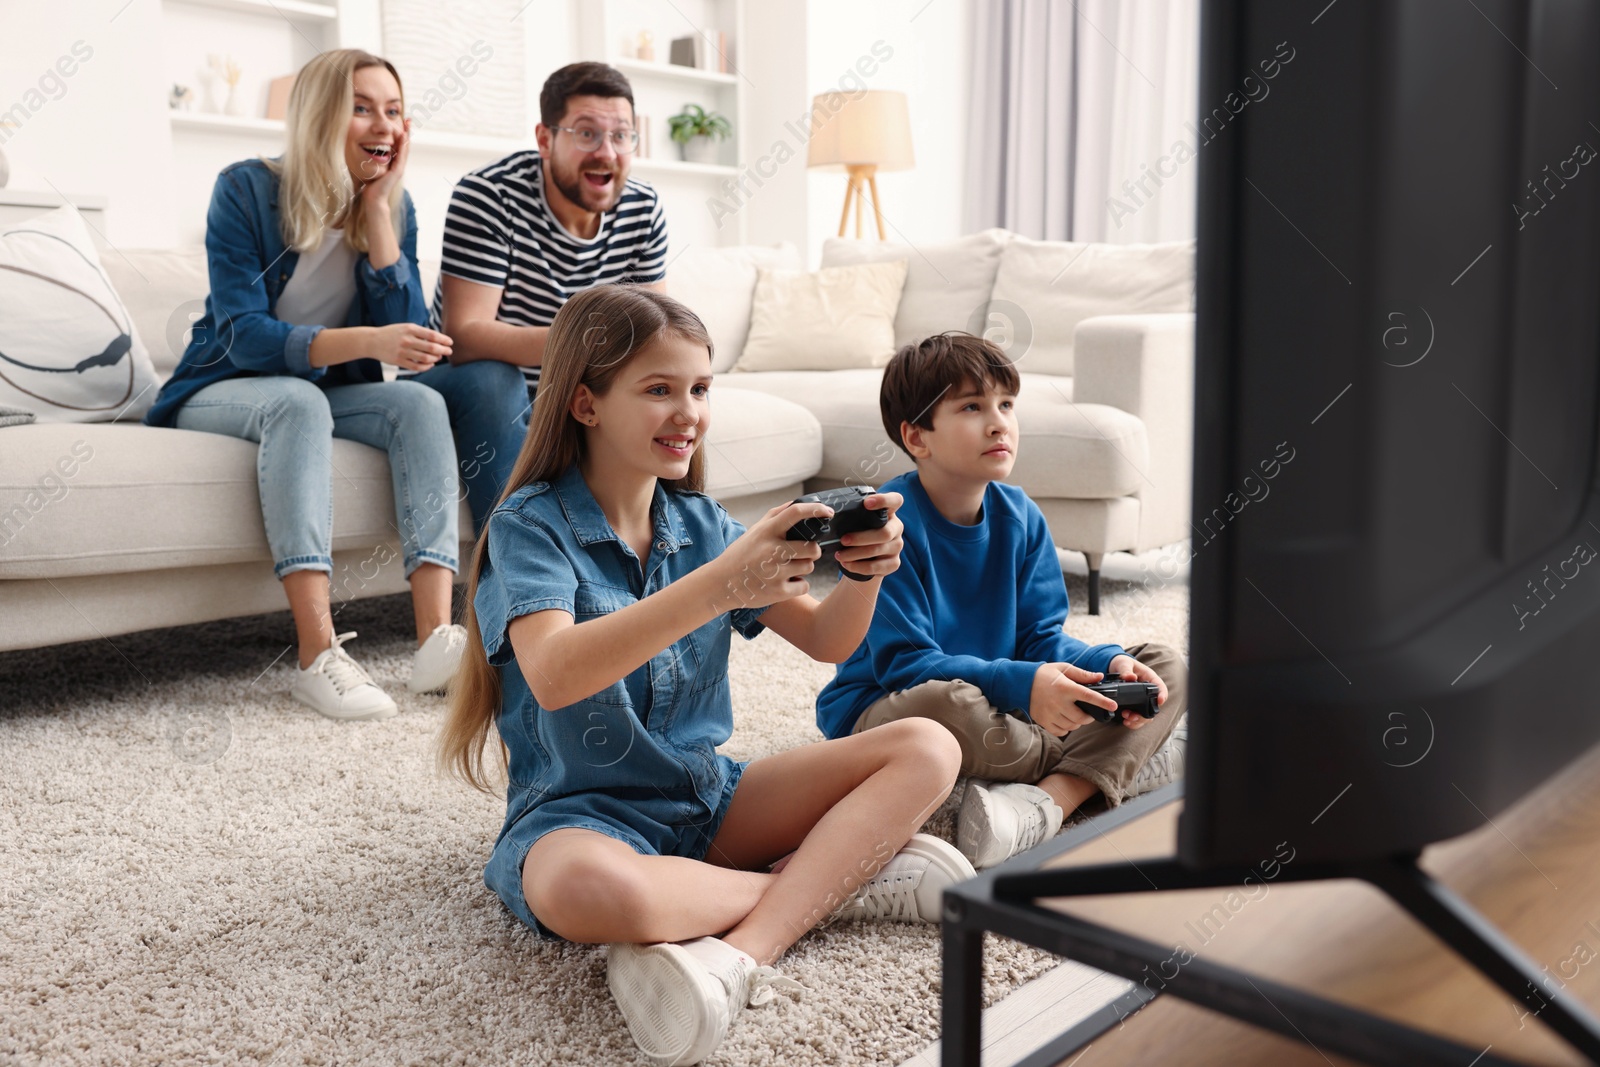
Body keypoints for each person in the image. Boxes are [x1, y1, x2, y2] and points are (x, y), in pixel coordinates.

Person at [438, 285, 973, 1066]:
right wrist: (720, 585)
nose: (688, 410)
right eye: (658, 389)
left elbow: (827, 639)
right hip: (580, 817)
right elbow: (554, 674)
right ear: (585, 403)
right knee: (592, 894)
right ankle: (840, 884)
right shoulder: (531, 524)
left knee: (929, 745)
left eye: (699, 388)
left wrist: (866, 574)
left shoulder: (704, 524)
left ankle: (744, 947)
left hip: (707, 797)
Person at [145, 49, 467, 720]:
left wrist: (379, 213)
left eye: (394, 110)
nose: (383, 124)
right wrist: (371, 342)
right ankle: (317, 654)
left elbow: (406, 345)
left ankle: (437, 640)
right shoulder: (244, 189)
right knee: (295, 401)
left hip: (325, 391)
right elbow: (246, 333)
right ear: (321, 113)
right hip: (224, 385)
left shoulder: (394, 210)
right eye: (362, 107)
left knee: (420, 403)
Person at [815, 332, 1188, 870]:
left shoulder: (1022, 515)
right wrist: (1029, 685)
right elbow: (906, 666)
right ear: (917, 436)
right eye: (972, 406)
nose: (999, 422)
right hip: (891, 710)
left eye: (1007, 405)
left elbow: (1041, 638)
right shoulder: (888, 526)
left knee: (1165, 667)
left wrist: (1104, 663)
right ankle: (1116, 762)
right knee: (948, 706)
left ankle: (1053, 798)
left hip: (1009, 708)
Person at [409, 62, 668, 531]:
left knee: (658, 396)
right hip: (464, 385)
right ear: (545, 139)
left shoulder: (643, 208)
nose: (606, 152)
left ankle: (665, 578)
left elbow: (652, 334)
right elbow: (465, 337)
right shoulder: (489, 195)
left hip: (574, 391)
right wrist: (586, 346)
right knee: (494, 380)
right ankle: (511, 571)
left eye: (621, 136)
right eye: (586, 134)